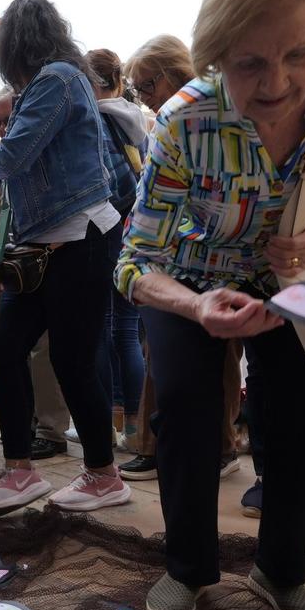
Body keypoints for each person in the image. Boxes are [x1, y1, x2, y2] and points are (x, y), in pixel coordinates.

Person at [117, 0, 305, 610]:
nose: (278, 82)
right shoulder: (184, 118)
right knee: (185, 405)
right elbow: (134, 259)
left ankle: (282, 571)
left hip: (298, 282)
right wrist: (196, 306)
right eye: (250, 64)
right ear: (216, 59)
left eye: (299, 53)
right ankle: (188, 568)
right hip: (190, 280)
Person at [0, 0, 130, 516]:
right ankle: (20, 470)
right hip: (48, 241)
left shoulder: (57, 79)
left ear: (14, 44)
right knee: (7, 347)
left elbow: (10, 157)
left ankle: (104, 476)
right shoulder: (60, 78)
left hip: (79, 236)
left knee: (73, 358)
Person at [116, 35, 246, 482]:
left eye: (145, 87)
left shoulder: (216, 116)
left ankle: (221, 445)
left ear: (171, 74)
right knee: (165, 360)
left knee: (220, 355)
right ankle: (165, 446)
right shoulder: (170, 124)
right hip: (167, 262)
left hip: (211, 263)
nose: (145, 99)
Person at [0, 86, 69, 459]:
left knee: (46, 352)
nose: (4, 129)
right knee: (11, 348)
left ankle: (52, 430)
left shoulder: (37, 153)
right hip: (20, 262)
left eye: (8, 120)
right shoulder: (14, 157)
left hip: (48, 260)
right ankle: (33, 431)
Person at [85, 48, 149, 457]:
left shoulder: (100, 120)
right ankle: (131, 424)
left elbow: (114, 183)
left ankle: (130, 424)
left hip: (114, 233)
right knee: (125, 331)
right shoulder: (132, 116)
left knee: (118, 332)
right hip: (137, 232)